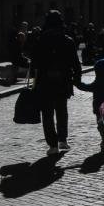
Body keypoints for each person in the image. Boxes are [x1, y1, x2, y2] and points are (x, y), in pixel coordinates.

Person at [30, 10, 82, 155]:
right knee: (62, 111)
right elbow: (75, 63)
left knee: (47, 114)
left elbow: (34, 63)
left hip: (44, 82)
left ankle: (52, 145)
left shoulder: (40, 41)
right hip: (63, 81)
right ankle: (63, 140)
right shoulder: (67, 40)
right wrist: (77, 79)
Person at [76, 57, 104, 154]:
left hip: (100, 108)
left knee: (102, 126)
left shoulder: (98, 82)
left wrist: (77, 83)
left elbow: (86, 87)